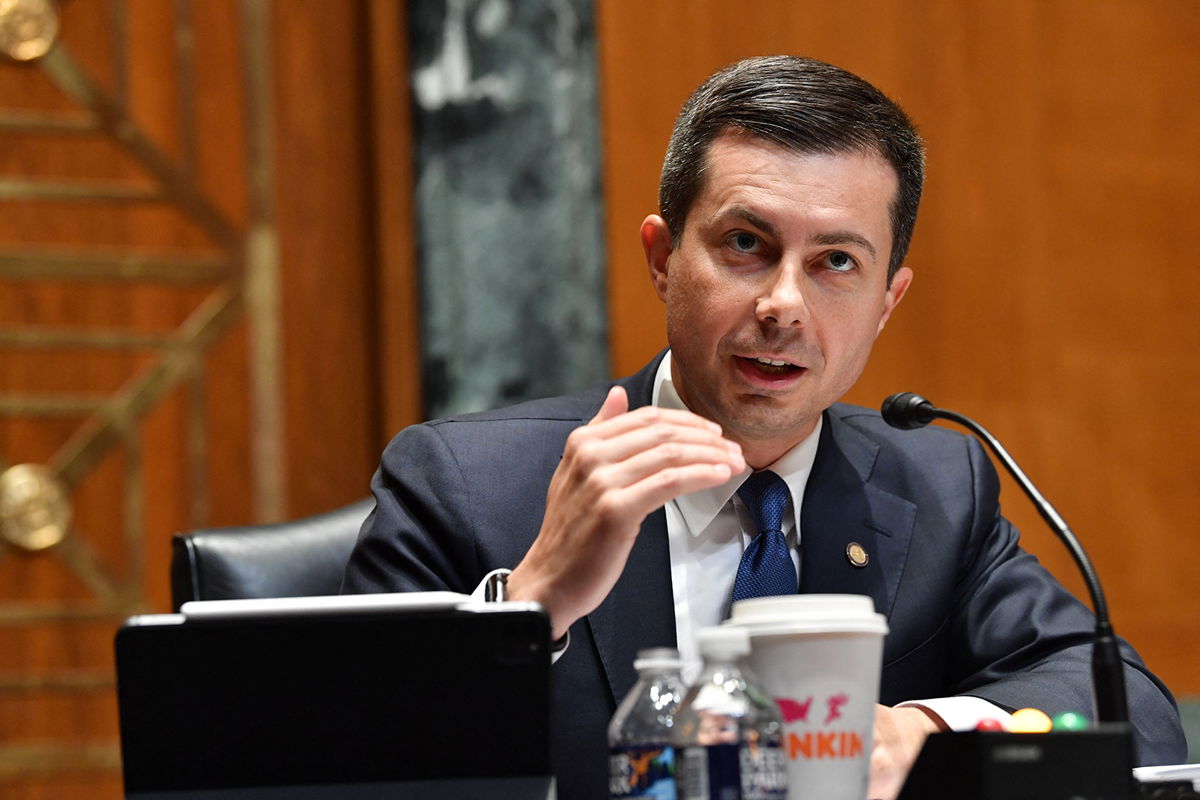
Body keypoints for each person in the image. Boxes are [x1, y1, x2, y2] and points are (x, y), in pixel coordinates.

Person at [342, 56, 1186, 799]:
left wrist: (920, 731)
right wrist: (531, 609)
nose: (783, 304)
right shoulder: (467, 485)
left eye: (836, 263)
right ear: (663, 258)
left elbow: (1132, 715)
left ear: (887, 303)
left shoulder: (933, 487)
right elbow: (348, 762)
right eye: (746, 244)